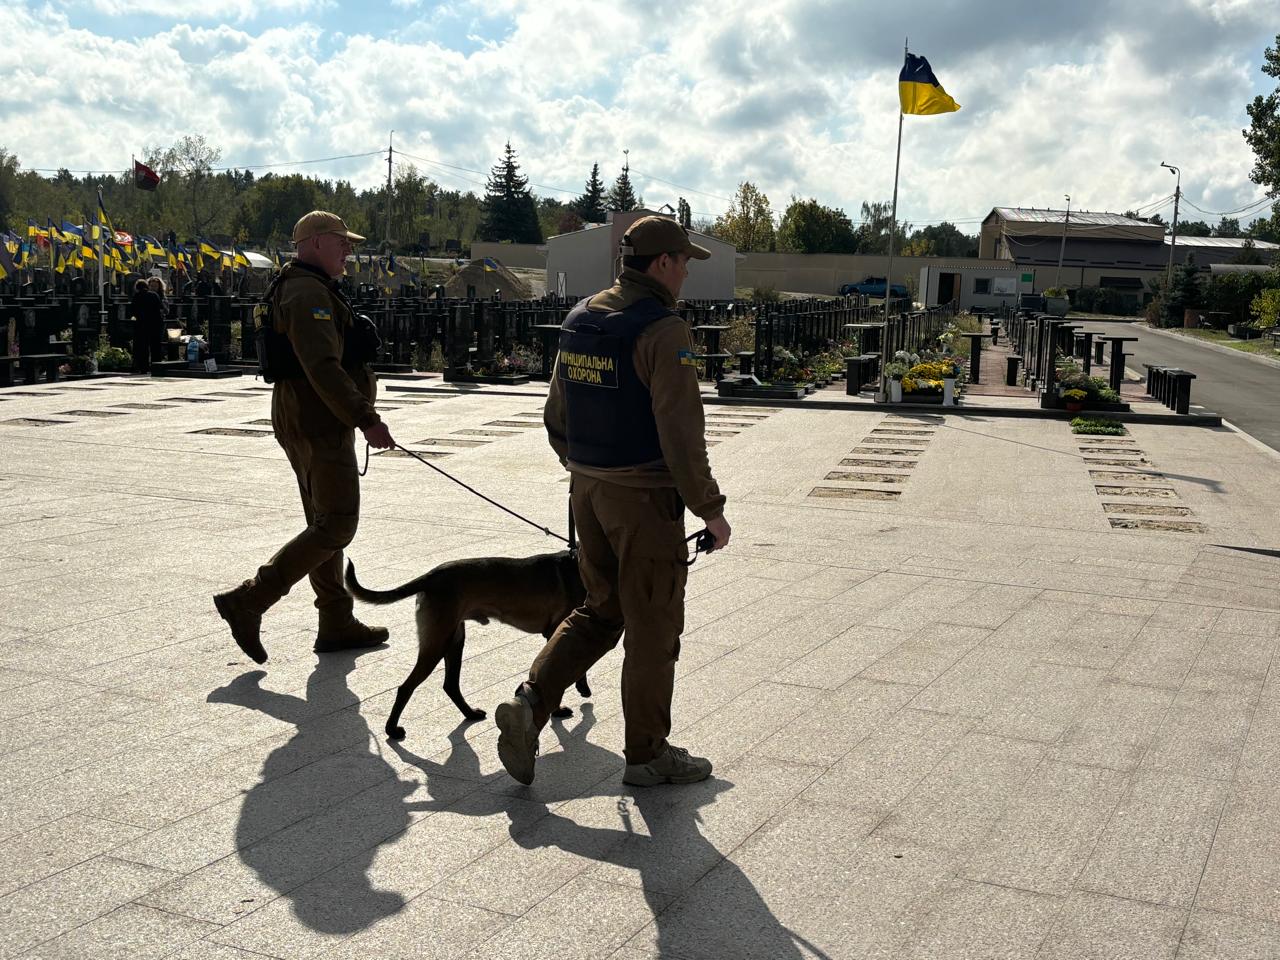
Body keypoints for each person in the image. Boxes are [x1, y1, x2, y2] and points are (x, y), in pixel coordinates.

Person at [495, 215, 731, 787]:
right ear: (663, 264)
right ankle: (647, 755)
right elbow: (680, 432)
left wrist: (583, 469)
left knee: (600, 610)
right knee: (653, 627)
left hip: (588, 490)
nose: (685, 275)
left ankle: (531, 702)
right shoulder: (663, 330)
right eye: (683, 263)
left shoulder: (583, 317)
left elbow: (556, 413)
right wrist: (710, 509)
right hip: (643, 500)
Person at [214, 211, 396, 663]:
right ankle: (249, 600)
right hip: (319, 423)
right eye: (341, 241)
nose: (348, 249)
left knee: (324, 523)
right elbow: (321, 366)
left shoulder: (306, 285)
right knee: (337, 524)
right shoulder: (306, 291)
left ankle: (336, 618)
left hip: (312, 418)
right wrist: (365, 417)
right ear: (315, 242)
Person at [128, 278, 164, 373]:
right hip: (155, 325)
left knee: (143, 348)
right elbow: (160, 308)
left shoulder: (136, 296)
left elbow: (132, 311)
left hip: (141, 326)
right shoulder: (154, 295)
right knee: (155, 347)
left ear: (137, 288)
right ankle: (157, 367)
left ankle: (143, 368)